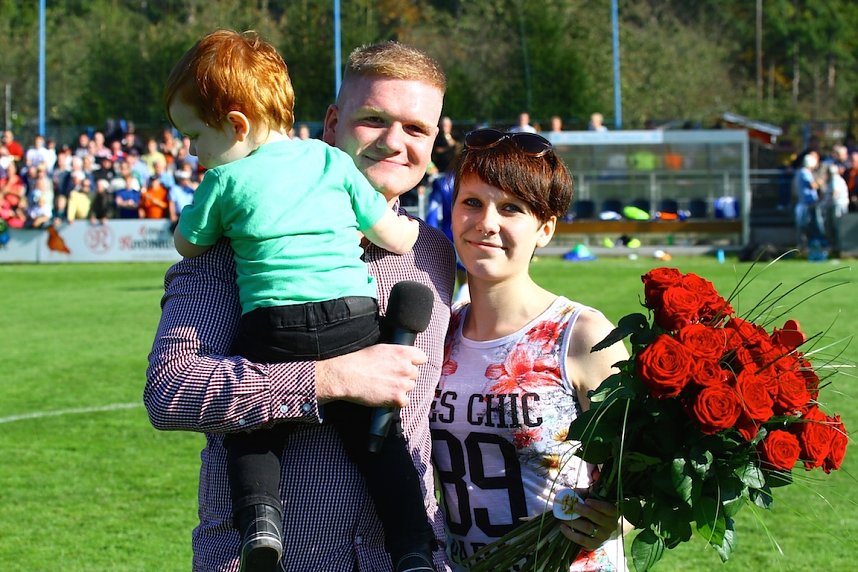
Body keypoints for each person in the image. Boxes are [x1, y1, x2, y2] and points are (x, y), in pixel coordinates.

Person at [145, 39, 455, 572]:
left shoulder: (434, 254)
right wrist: (328, 379)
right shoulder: (230, 244)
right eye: (374, 119)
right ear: (332, 124)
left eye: (416, 129)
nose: (394, 142)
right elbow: (170, 392)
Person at [430, 129, 629, 570]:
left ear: (545, 228)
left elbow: (640, 470)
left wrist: (617, 519)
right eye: (472, 202)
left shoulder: (582, 336)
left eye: (511, 208)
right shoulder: (439, 330)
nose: (486, 222)